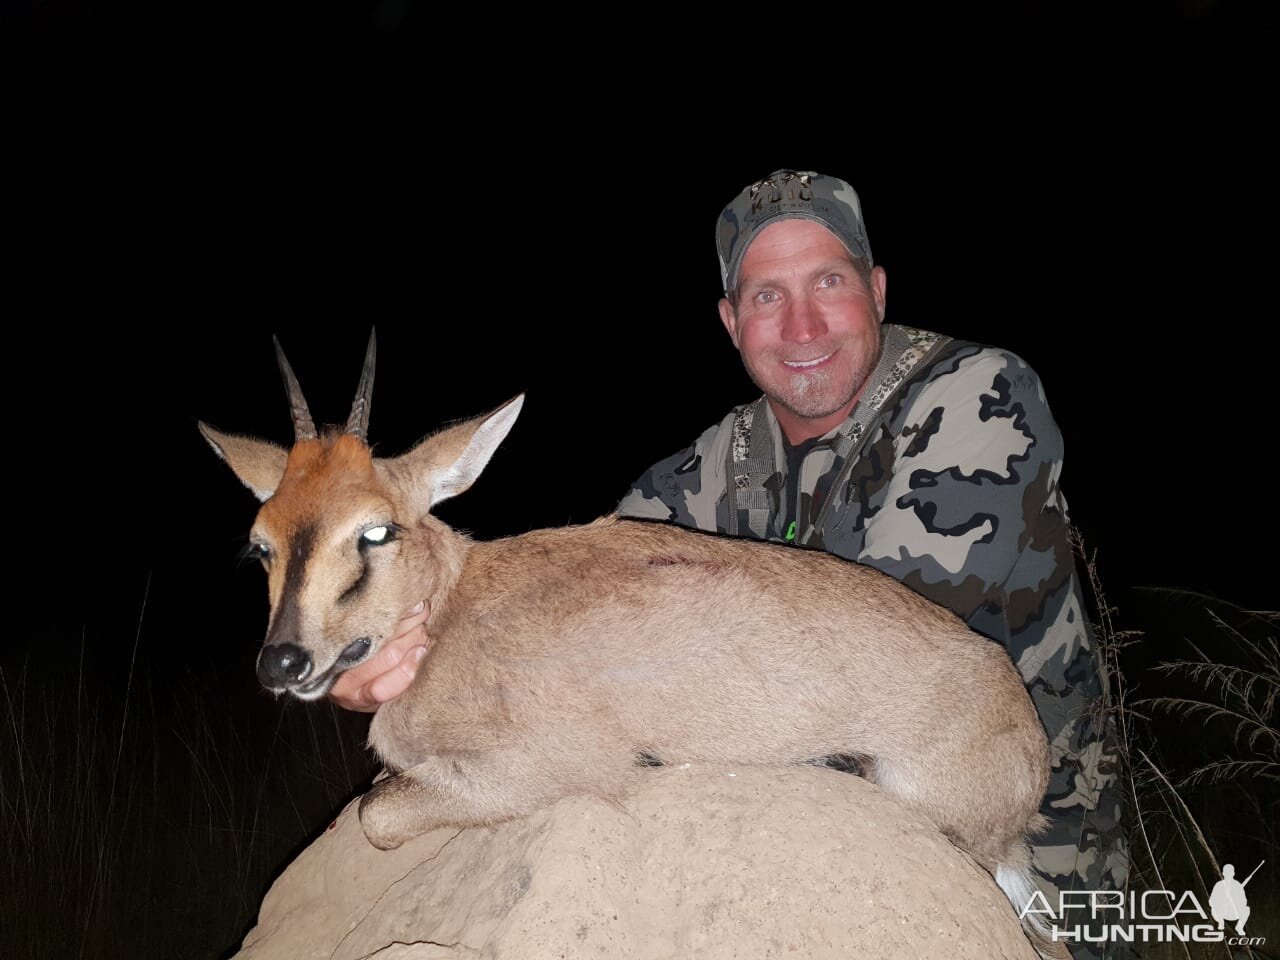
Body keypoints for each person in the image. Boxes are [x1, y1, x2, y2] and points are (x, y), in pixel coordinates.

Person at [331, 169, 1128, 956]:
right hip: (799, 806)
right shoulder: (717, 464)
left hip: (1021, 825)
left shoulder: (978, 398)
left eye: (829, 281)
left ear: (878, 291)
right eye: (766, 296)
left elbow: (889, 645)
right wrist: (390, 652)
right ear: (730, 320)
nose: (803, 325)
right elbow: (586, 611)